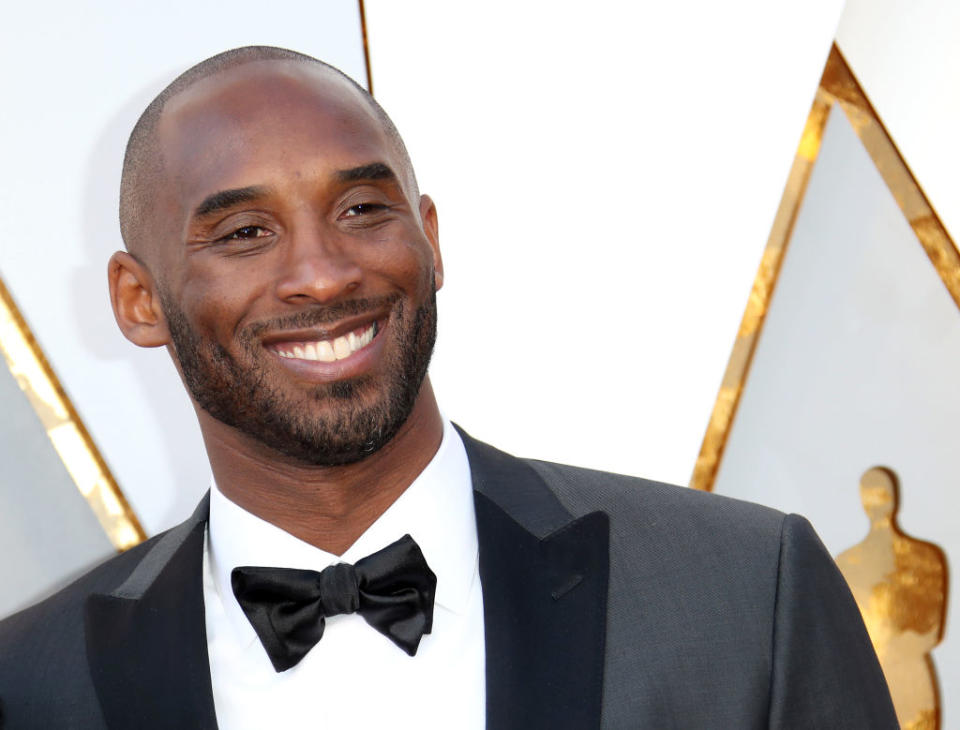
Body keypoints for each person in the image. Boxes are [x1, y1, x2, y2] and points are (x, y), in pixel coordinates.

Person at [0, 46, 896, 729]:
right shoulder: (33, 683)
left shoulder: (739, 596)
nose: (320, 273)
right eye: (242, 232)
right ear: (138, 299)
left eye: (361, 210)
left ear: (429, 239)